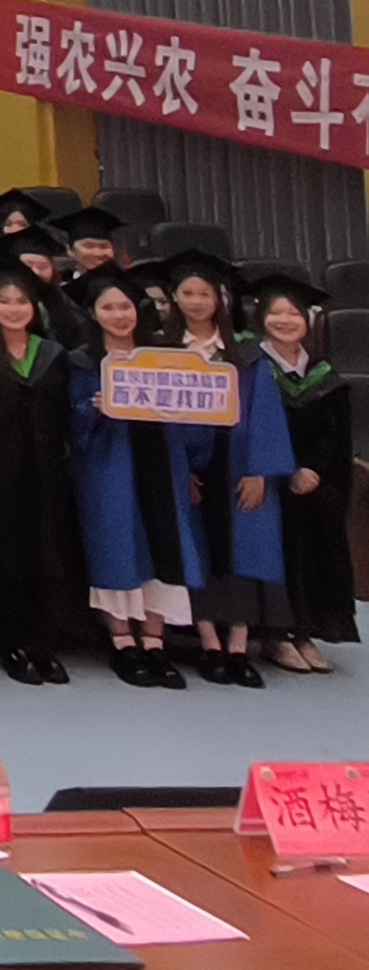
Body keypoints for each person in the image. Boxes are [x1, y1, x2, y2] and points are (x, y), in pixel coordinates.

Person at [170, 256, 293, 687]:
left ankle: (239, 646)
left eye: (205, 293)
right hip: (188, 465)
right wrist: (179, 470)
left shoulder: (246, 353)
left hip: (240, 464)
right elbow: (160, 419)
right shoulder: (164, 352)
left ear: (220, 299)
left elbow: (265, 414)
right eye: (188, 293)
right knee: (196, 549)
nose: (197, 301)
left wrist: (261, 472)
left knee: (245, 549)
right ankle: (209, 643)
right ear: (174, 298)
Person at [73, 271, 199, 688]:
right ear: (93, 313)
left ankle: (155, 642)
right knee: (117, 548)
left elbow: (193, 416)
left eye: (125, 306)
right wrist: (93, 409)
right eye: (108, 307)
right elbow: (70, 422)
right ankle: (122, 640)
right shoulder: (83, 361)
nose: (119, 315)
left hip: (162, 462)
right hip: (110, 467)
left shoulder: (164, 357)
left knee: (163, 546)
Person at [0, 266, 75, 686]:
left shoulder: (53, 355)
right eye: (4, 301)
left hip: (47, 471)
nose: (13, 308)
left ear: (35, 307)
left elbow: (65, 414)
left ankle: (45, 644)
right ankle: (10, 643)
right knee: (3, 556)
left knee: (47, 557)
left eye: (21, 301)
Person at [248, 274, 352, 671]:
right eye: (276, 313)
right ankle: (274, 634)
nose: (285, 320)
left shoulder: (323, 374)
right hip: (266, 481)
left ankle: (305, 631)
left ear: (306, 321)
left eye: (294, 313)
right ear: (261, 319)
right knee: (276, 552)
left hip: (310, 482)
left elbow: (334, 434)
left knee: (312, 551)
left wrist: (313, 469)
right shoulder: (251, 366)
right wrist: (282, 468)